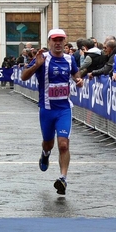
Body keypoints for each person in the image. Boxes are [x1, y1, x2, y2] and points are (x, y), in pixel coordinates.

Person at [20, 28, 83, 195]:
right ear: (49, 42)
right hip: (47, 110)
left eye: (61, 40)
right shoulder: (43, 58)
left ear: (65, 42)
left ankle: (63, 178)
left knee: (63, 144)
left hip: (64, 109)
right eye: (54, 40)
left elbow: (77, 75)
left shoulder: (70, 59)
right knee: (48, 143)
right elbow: (23, 76)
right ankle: (45, 153)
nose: (58, 43)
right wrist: (36, 65)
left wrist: (79, 81)